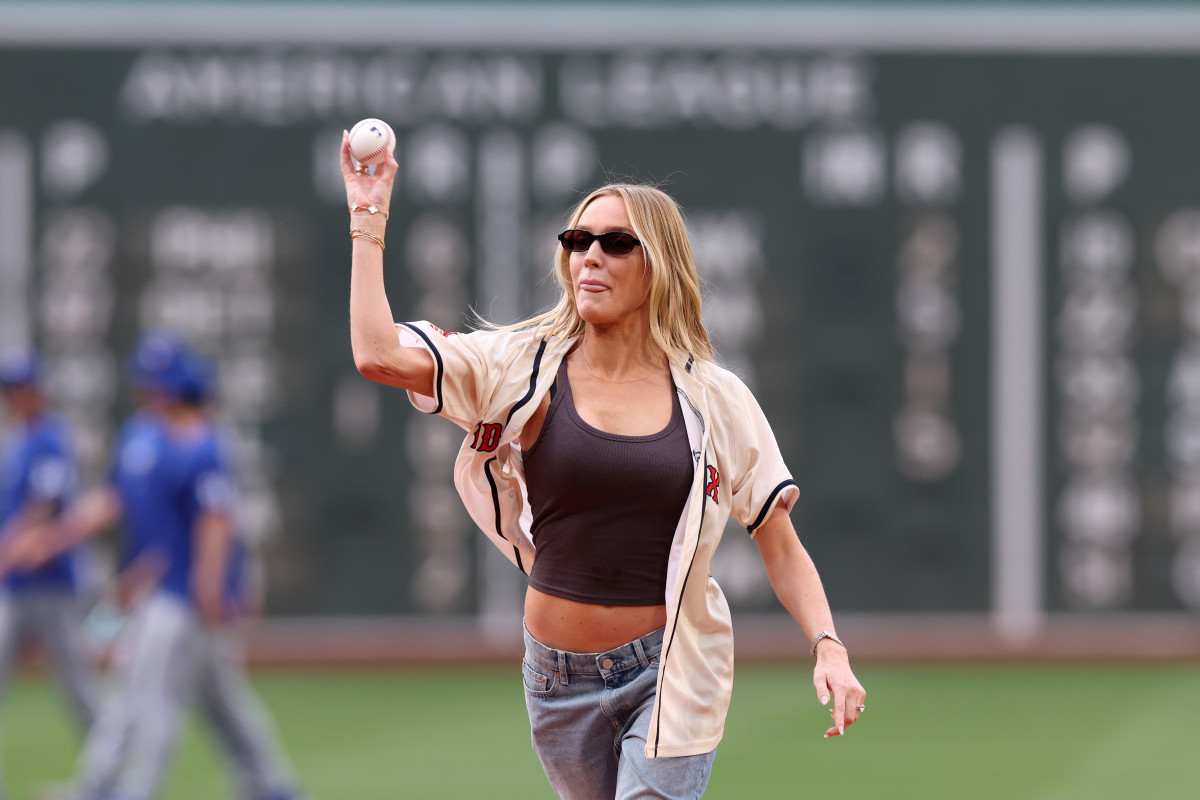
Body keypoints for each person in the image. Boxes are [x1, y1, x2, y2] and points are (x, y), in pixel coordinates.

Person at [341, 134, 867, 798]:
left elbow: (778, 539)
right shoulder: (521, 364)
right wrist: (369, 221)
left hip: (669, 669)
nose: (590, 255)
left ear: (660, 265)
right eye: (577, 240)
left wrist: (828, 645)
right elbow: (378, 356)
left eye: (617, 243)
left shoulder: (715, 397)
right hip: (555, 678)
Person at [15, 334, 300, 800]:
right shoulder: (144, 437)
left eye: (159, 384)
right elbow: (138, 514)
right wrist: (79, 547)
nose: (152, 392)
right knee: (215, 698)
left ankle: (126, 789)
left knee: (148, 695)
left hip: (185, 598)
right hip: (163, 589)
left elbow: (216, 523)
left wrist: (212, 588)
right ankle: (268, 783)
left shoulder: (204, 445)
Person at [0, 349, 100, 798]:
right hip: (17, 588)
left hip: (53, 586)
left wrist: (7, 551)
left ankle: (110, 772)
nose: (17, 396)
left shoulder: (50, 438)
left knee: (78, 690)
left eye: (21, 387)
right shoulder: (18, 441)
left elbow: (42, 512)